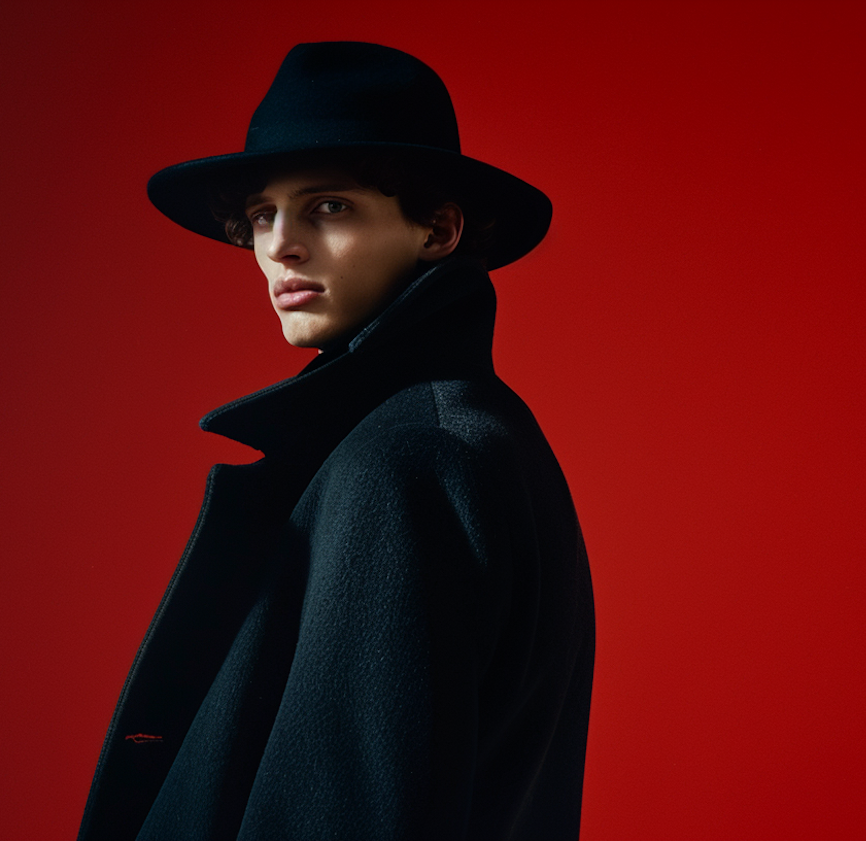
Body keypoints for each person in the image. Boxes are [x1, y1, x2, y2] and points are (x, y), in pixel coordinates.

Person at [78, 42, 594, 840]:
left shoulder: (409, 462)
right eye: (261, 214)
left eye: (329, 206)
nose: (280, 244)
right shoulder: (471, 433)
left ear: (438, 228)